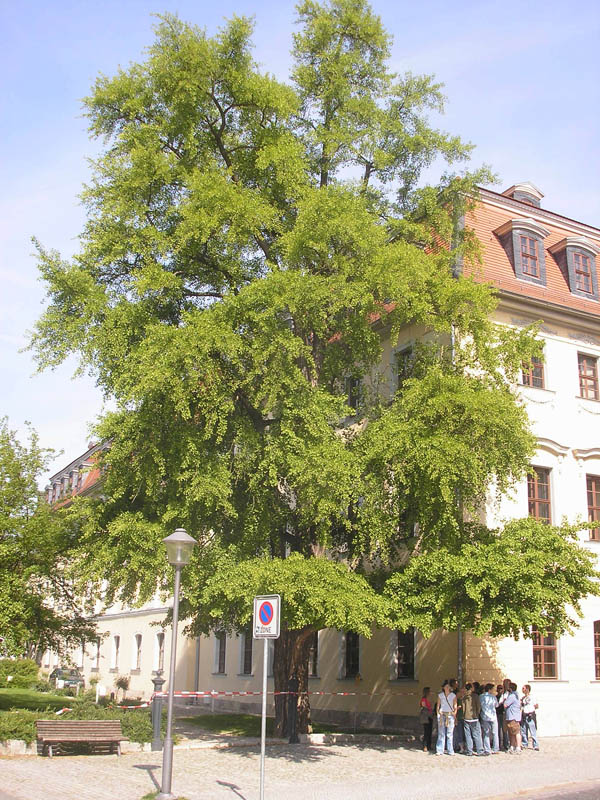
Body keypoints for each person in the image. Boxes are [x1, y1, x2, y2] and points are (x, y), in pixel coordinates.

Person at [461, 683, 486, 756]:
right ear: (471, 688)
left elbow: (463, 708)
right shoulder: (475, 696)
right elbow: (478, 706)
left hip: (466, 718)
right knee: (477, 735)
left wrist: (464, 715)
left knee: (468, 735)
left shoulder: (464, 697)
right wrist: (477, 714)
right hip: (474, 718)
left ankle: (469, 751)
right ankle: (480, 750)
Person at [436, 680, 457, 756]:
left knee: (449, 734)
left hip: (450, 715)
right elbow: (438, 705)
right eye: (446, 686)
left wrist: (454, 713)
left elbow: (455, 705)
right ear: (443, 687)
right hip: (442, 715)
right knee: (441, 733)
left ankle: (450, 750)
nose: (447, 688)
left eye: (448, 686)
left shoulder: (453, 695)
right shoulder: (440, 695)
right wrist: (438, 713)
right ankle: (440, 750)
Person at [480, 683, 500, 754]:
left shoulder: (481, 696)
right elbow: (497, 705)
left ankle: (487, 749)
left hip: (485, 716)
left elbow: (480, 706)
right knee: (495, 733)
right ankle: (495, 748)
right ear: (489, 690)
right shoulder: (493, 697)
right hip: (493, 716)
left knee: (486, 733)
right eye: (493, 689)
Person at [503, 682, 523, 753]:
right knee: (512, 733)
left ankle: (518, 747)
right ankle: (512, 746)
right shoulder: (516, 694)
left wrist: (504, 700)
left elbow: (505, 705)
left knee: (516, 732)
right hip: (513, 716)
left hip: (513, 716)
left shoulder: (512, 696)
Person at [520, 684, 539, 750]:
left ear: (527, 689)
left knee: (533, 731)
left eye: (523, 688)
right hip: (524, 715)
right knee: (523, 731)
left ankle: (535, 745)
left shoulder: (533, 697)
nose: (522, 690)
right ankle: (525, 744)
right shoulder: (523, 698)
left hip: (530, 716)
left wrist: (531, 710)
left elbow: (536, 705)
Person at [419, 687, 434, 752]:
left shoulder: (428, 699)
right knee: (426, 732)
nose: (430, 692)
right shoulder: (424, 699)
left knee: (430, 732)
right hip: (425, 717)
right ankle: (425, 746)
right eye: (429, 691)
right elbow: (424, 707)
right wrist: (429, 709)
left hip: (430, 716)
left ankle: (429, 745)